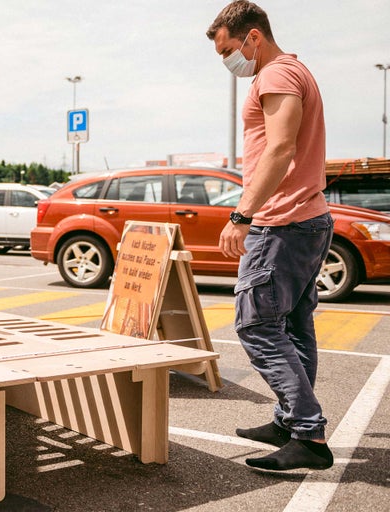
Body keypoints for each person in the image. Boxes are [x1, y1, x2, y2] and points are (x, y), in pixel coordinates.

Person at [206, 1, 334, 471]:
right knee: (294, 326)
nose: (227, 62)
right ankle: (291, 422)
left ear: (253, 38)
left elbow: (279, 149)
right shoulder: (294, 71)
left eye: (228, 50)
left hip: (282, 222)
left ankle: (308, 433)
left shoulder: (277, 75)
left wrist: (241, 216)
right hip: (307, 218)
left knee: (256, 324)